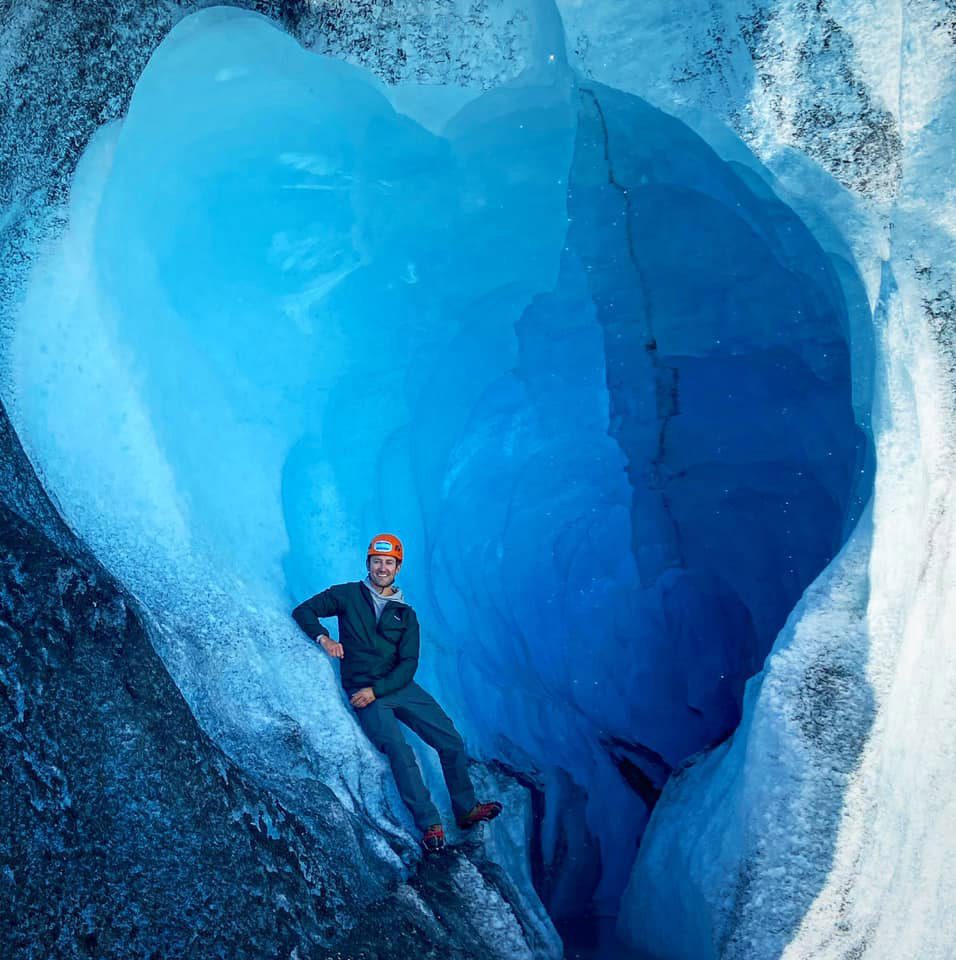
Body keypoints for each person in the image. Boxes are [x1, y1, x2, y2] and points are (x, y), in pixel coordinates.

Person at [292, 533, 502, 853]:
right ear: (368, 563)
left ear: (397, 568)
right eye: (377, 561)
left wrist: (377, 691)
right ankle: (429, 823)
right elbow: (304, 610)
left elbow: (409, 664)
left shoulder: (406, 615)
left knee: (450, 741)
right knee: (399, 750)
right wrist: (324, 639)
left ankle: (466, 808)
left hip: (396, 687)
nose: (382, 568)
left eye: (389, 563)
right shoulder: (347, 595)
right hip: (361, 686)